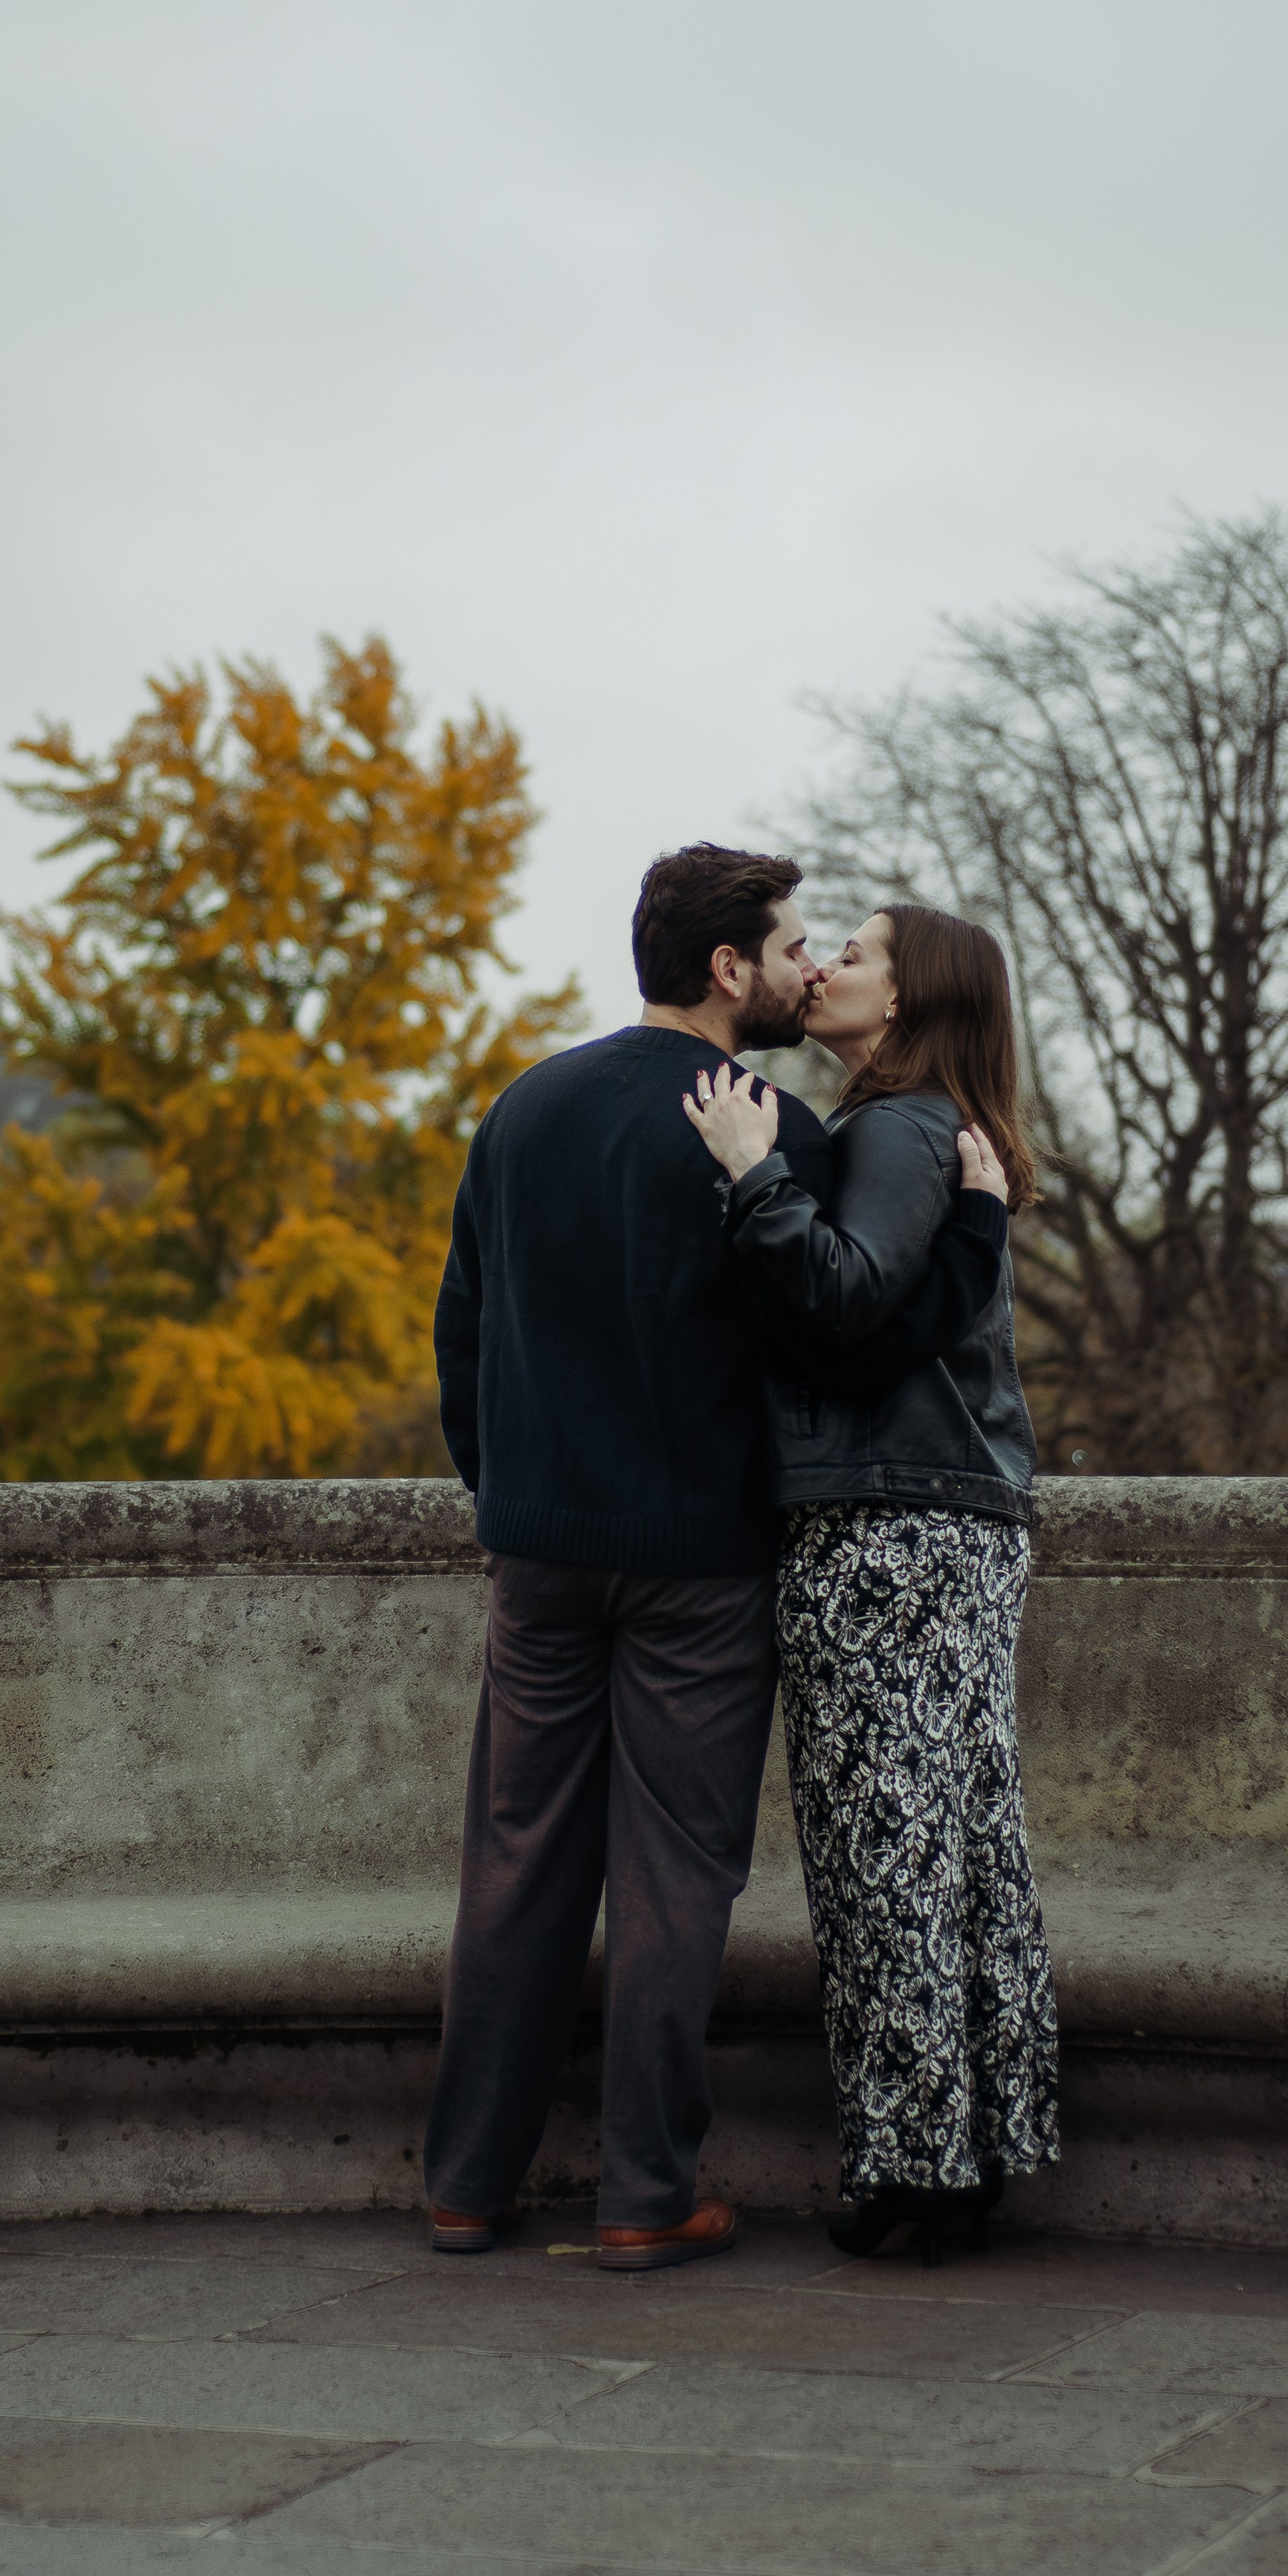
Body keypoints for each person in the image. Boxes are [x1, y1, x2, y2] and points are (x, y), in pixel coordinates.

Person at [423, 848, 1008, 2271]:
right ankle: (644, 2195)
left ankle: (466, 2184)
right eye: (796, 943)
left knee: (514, 1862)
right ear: (730, 968)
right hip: (701, 1561)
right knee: (678, 1876)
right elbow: (837, 1335)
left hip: (542, 1553)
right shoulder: (776, 1133)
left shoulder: (524, 1107)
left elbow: (462, 1336)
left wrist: (512, 1495)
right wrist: (981, 1225)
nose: (810, 967)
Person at [683, 900, 1060, 2264]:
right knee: (955, 1839)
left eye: (858, 953)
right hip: (947, 1521)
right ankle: (968, 2146)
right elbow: (899, 1317)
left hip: (892, 1527)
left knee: (880, 1844)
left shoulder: (895, 1131)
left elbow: (840, 1300)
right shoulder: (934, 1132)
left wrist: (751, 1175)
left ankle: (919, 2166)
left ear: (904, 1004)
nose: (826, 965)